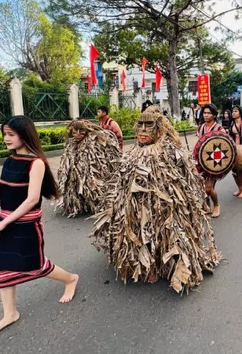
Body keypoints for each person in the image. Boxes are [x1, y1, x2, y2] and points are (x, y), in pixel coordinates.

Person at [91, 105, 221, 293]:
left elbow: (186, 177)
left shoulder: (168, 151)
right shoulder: (133, 152)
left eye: (148, 126)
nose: (143, 131)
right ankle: (148, 266)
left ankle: (166, 265)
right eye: (140, 125)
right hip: (136, 205)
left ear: (158, 128)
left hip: (164, 206)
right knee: (141, 232)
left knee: (165, 234)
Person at [0, 116, 79, 341]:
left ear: (25, 134)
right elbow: (10, 191)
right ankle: (10, 314)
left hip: (25, 225)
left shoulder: (36, 163)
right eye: (5, 134)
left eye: (11, 134)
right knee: (2, 268)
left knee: (35, 265)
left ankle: (70, 279)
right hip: (6, 222)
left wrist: (4, 222)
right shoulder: (10, 160)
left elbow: (32, 199)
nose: (6, 139)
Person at [56, 119, 122, 217]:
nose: (77, 136)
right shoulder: (71, 144)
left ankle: (97, 205)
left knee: (94, 188)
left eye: (81, 134)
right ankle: (81, 204)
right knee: (76, 186)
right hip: (76, 171)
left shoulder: (94, 142)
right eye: (74, 133)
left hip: (92, 172)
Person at [198, 104, 224, 218]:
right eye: (204, 113)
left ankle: (217, 205)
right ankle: (207, 205)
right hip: (202, 161)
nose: (206, 115)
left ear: (214, 115)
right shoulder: (201, 127)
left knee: (209, 187)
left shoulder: (219, 128)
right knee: (202, 186)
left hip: (215, 161)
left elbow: (225, 144)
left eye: (208, 113)